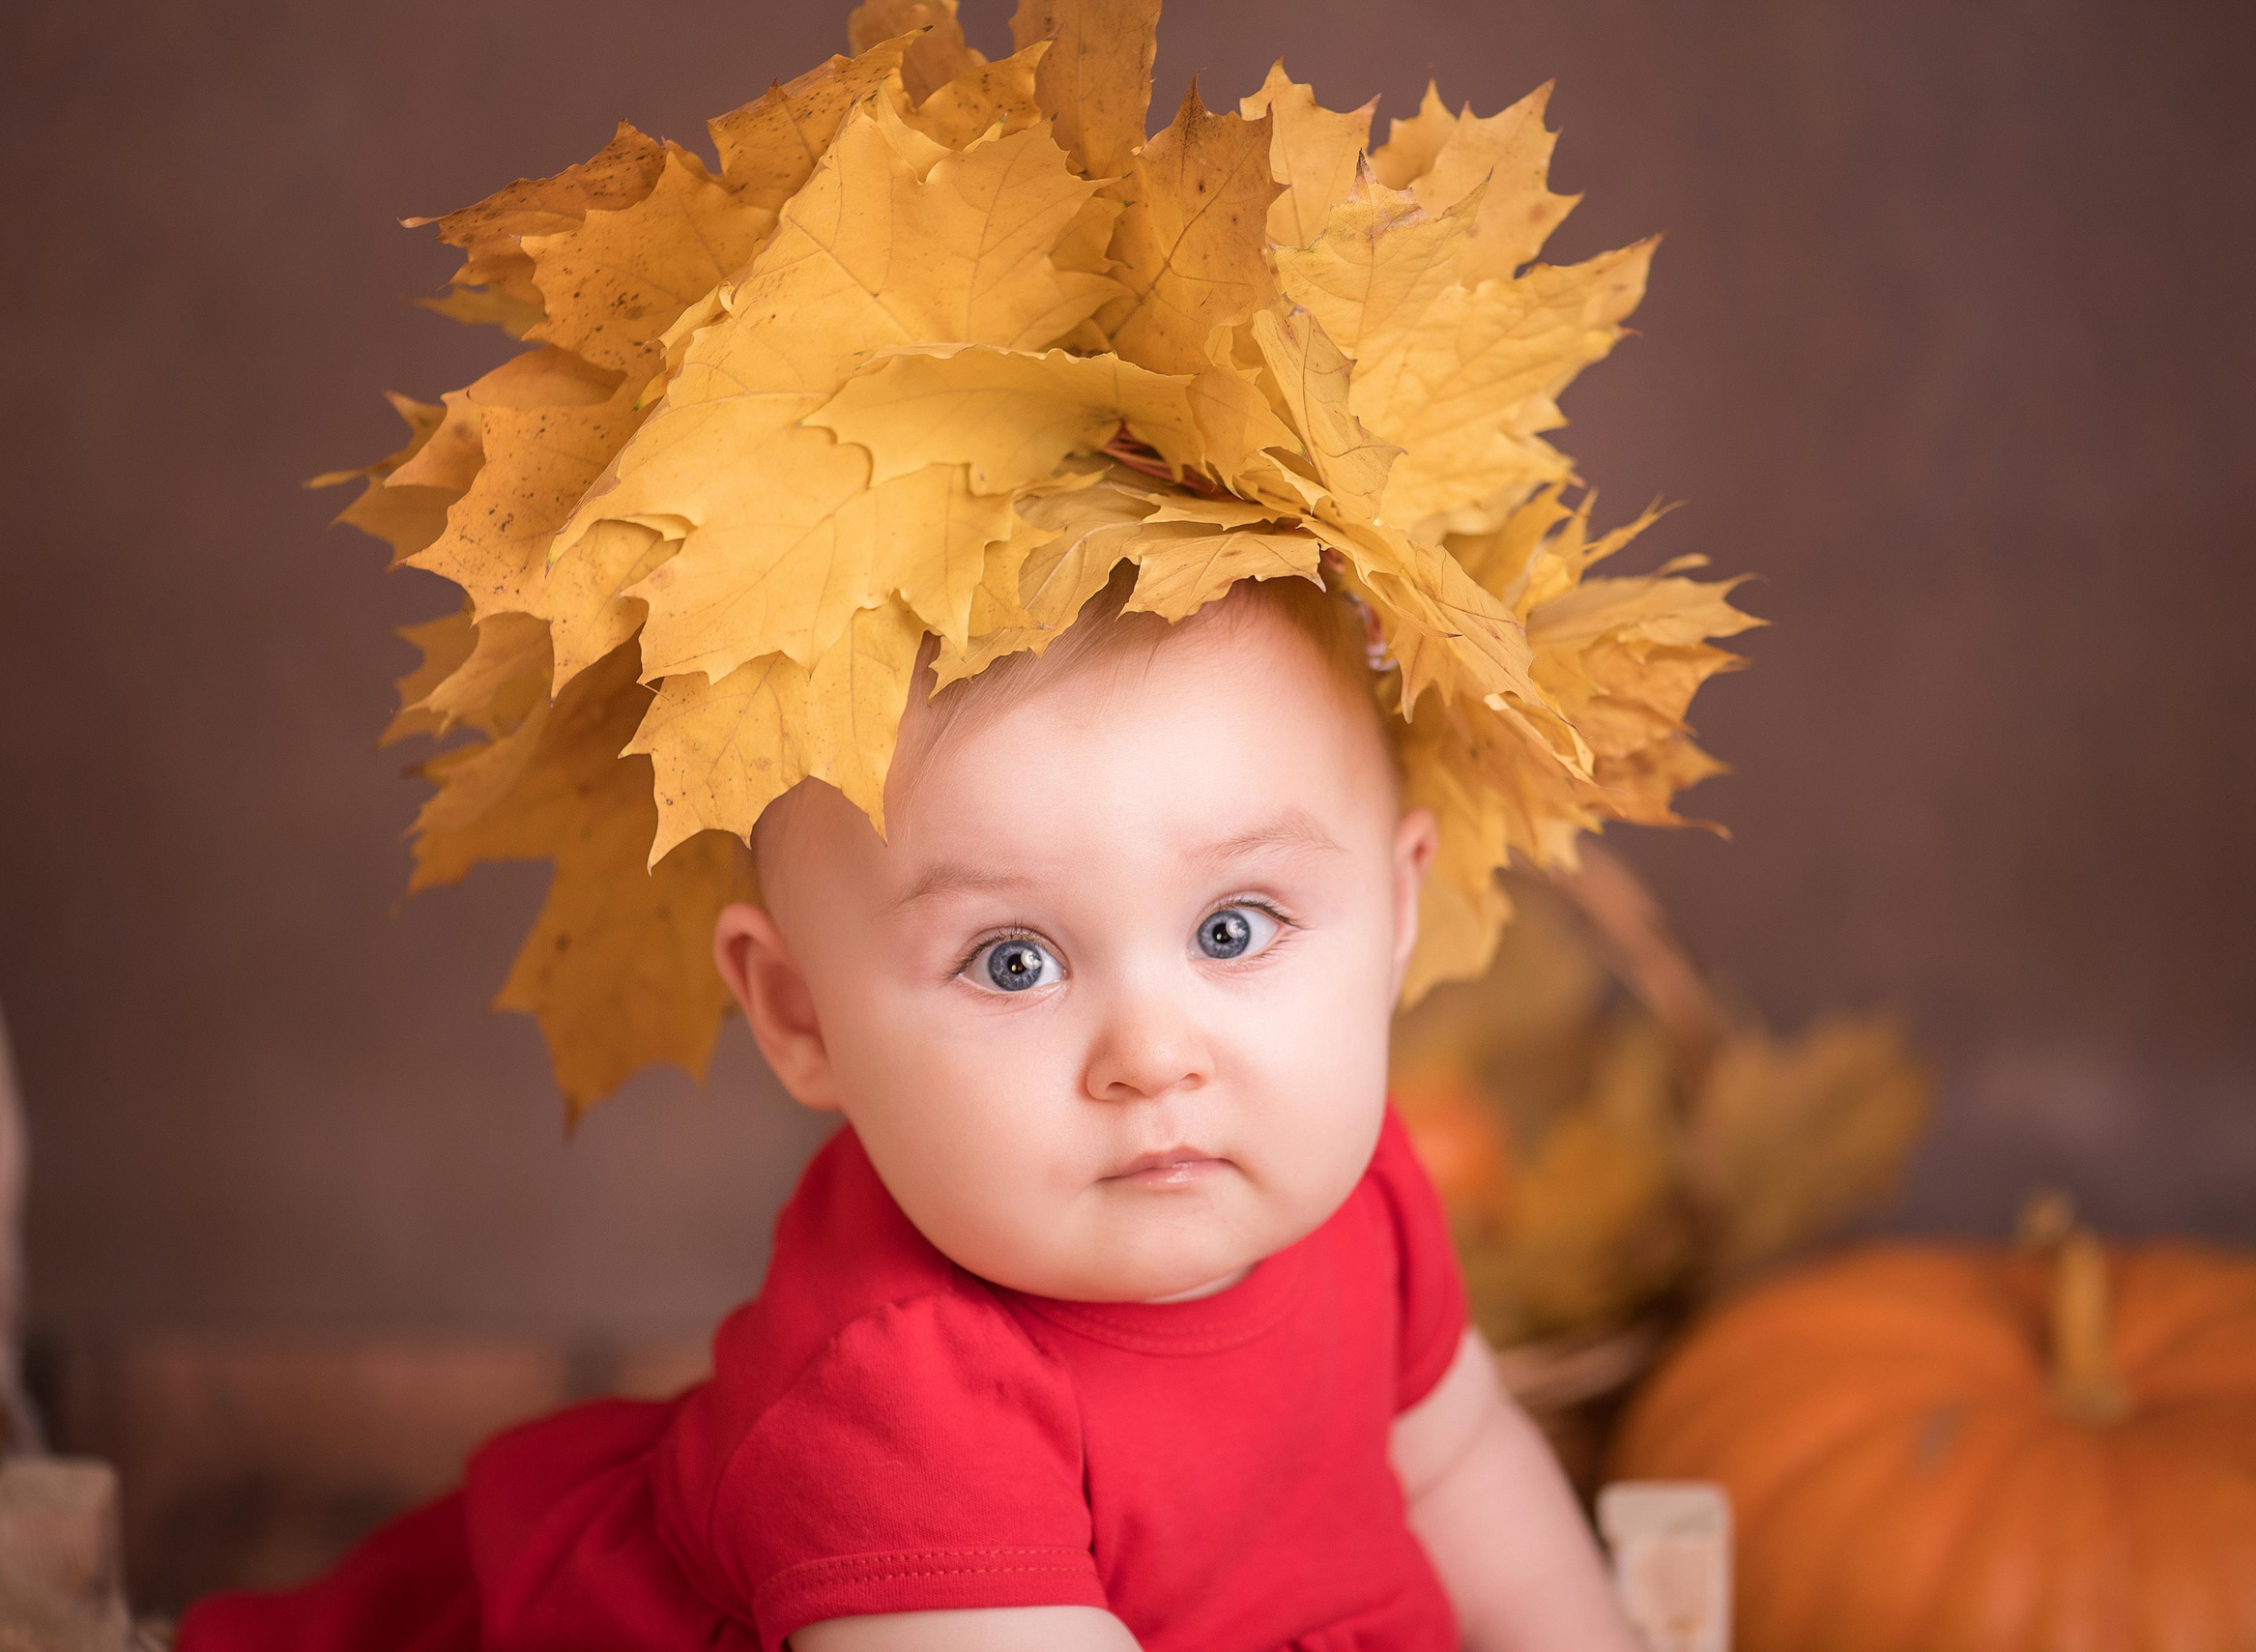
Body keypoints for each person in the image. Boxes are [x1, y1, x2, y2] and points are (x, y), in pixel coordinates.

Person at [184, 4, 1754, 1644]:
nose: (1153, 1052)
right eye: (1012, 958)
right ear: (800, 1011)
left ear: (1402, 906)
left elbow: (1470, 1475)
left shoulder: (1356, 1198)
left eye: (1236, 928)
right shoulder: (903, 1400)